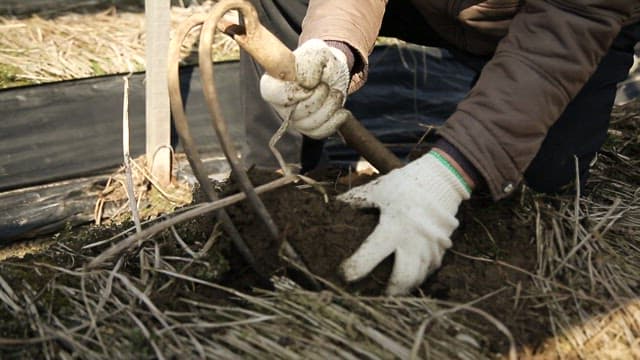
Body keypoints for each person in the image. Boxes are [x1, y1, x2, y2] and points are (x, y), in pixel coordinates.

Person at [242, 0, 640, 295]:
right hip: (438, 8)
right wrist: (332, 50)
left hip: (567, 26)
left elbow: (573, 21)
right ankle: (280, 185)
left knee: (535, 197)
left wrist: (455, 169)